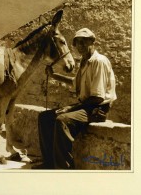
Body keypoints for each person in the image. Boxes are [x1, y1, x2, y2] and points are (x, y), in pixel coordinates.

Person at [33, 27, 117, 169]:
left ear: (92, 42)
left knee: (62, 120)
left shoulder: (99, 61)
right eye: (77, 43)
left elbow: (97, 98)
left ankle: (63, 168)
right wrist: (54, 75)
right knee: (45, 117)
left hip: (97, 109)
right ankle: (49, 163)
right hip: (87, 105)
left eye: (84, 42)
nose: (80, 46)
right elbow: (74, 82)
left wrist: (70, 107)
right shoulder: (84, 62)